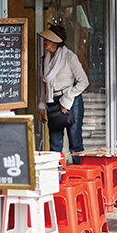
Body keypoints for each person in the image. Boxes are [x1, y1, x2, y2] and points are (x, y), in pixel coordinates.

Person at [37, 25, 89, 161]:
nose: (44, 41)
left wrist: (67, 99)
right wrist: (42, 107)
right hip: (52, 101)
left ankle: (79, 177)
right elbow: (44, 85)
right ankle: (56, 178)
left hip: (72, 101)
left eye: (47, 39)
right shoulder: (44, 60)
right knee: (54, 144)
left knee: (75, 143)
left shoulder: (69, 57)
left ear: (55, 41)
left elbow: (83, 81)